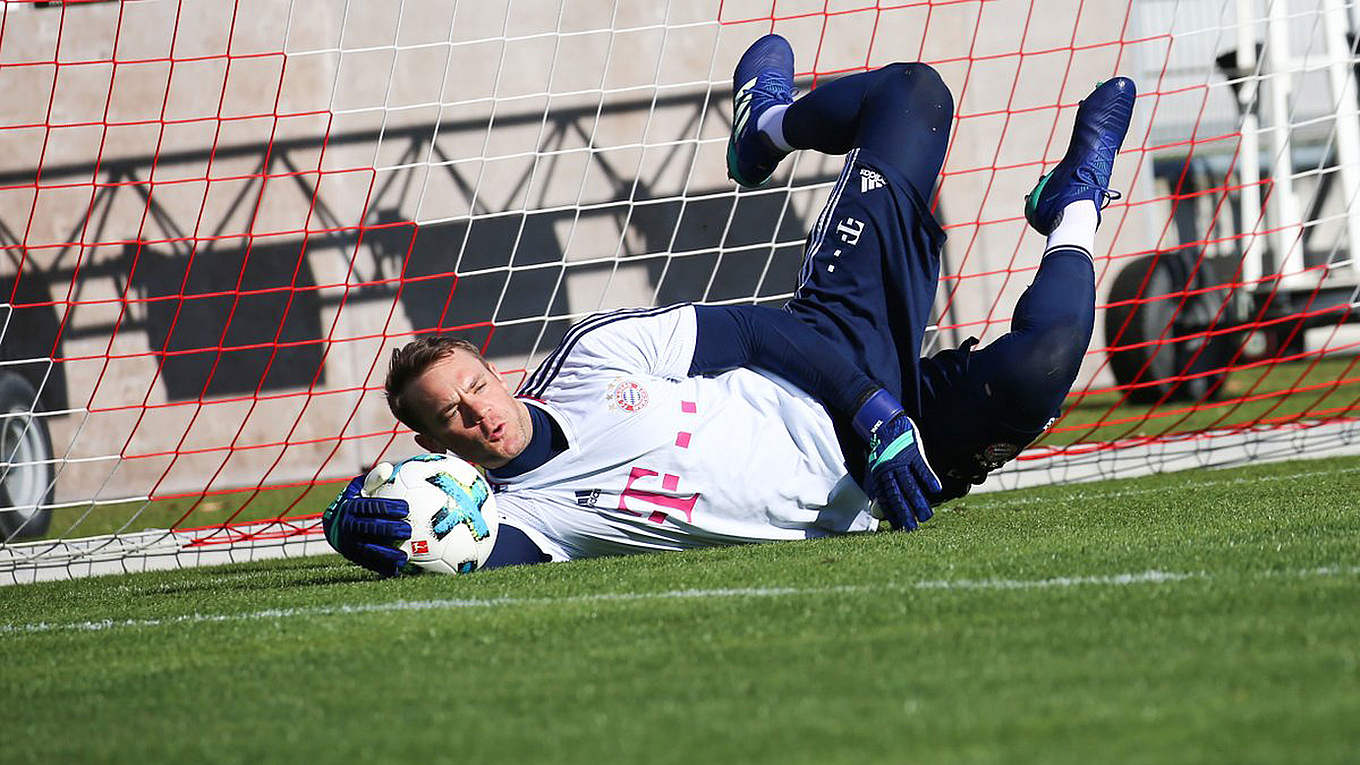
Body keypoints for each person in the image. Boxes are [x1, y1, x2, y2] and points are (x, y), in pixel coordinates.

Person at [322, 34, 1136, 577]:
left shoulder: (590, 359)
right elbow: (434, 540)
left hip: (835, 361)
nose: (478, 411)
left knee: (915, 94)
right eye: (452, 414)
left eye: (475, 386)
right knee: (1046, 361)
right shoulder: (522, 515)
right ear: (433, 441)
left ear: (495, 373)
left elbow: (753, 329)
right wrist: (351, 527)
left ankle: (766, 127)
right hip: (875, 486)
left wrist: (872, 408)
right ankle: (1074, 203)